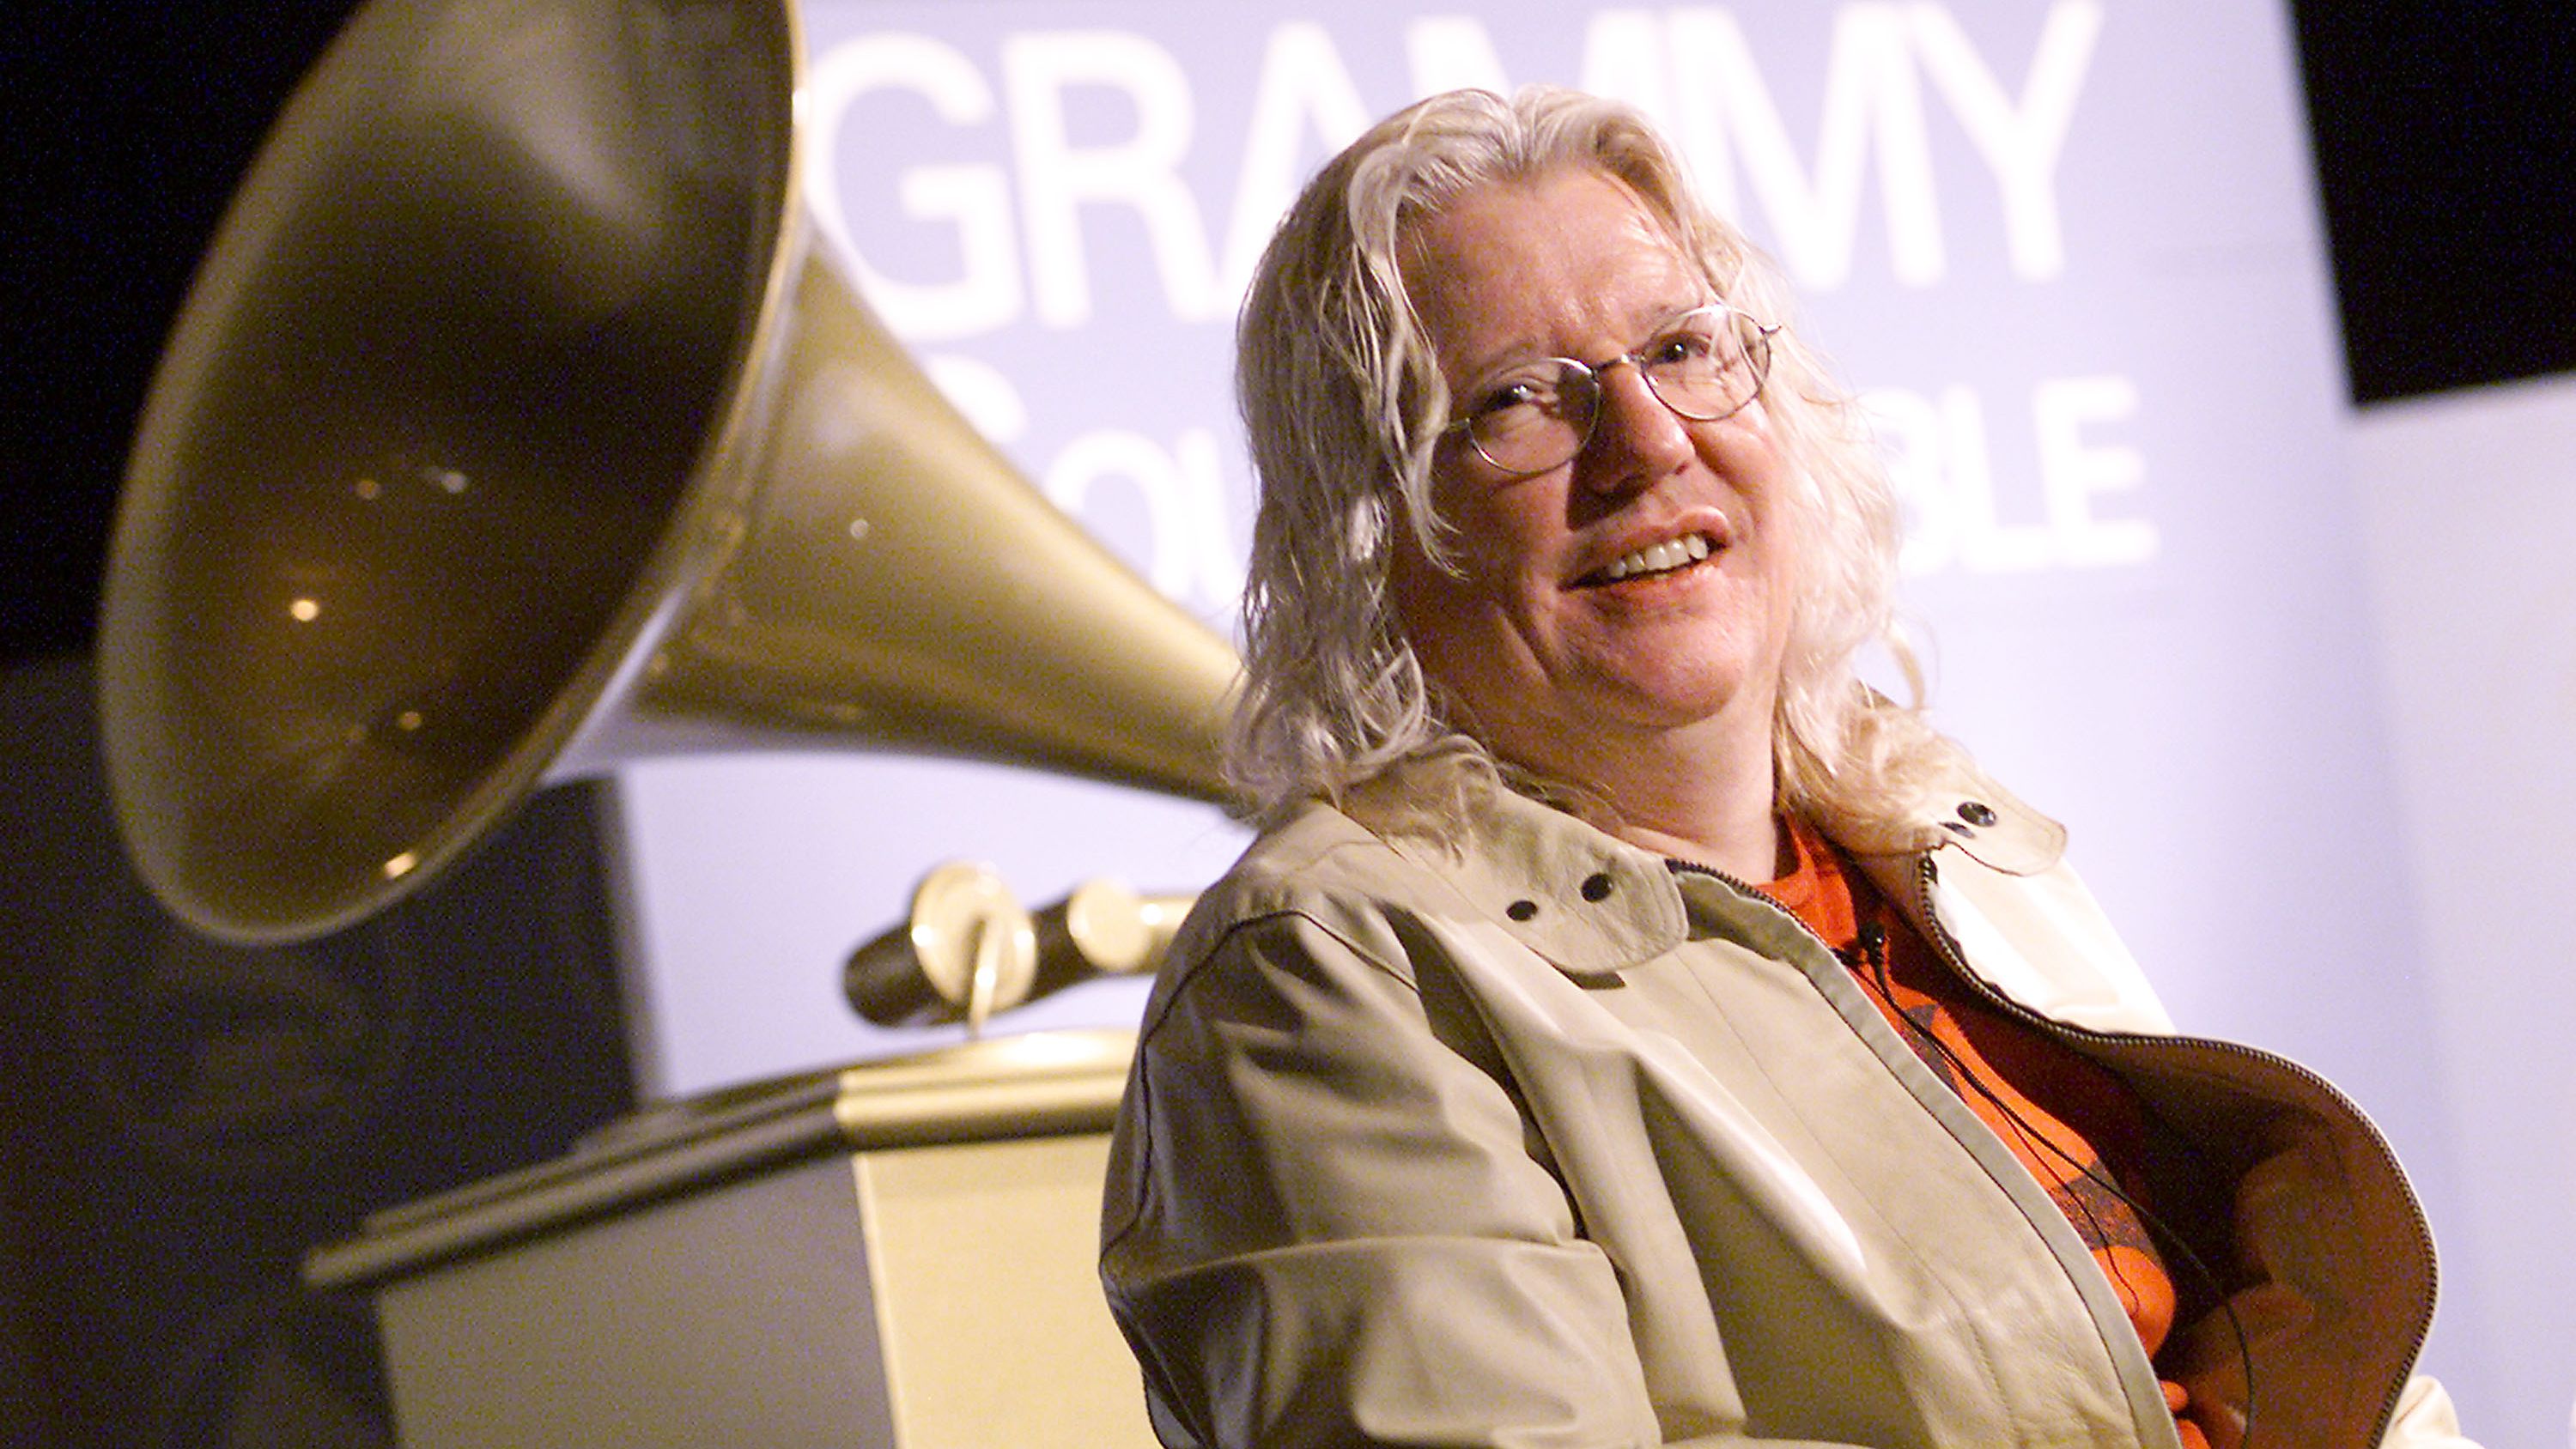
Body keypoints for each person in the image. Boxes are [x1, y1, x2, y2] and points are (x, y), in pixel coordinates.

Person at [1098, 85, 2475, 1449]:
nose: (1650, 442)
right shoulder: (1332, 971)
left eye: (1682, 349)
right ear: (1367, 527)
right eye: (1518, 400)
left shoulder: (1940, 829)